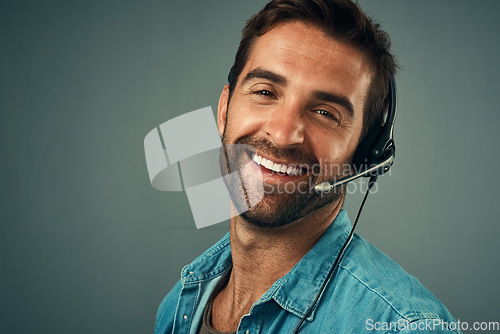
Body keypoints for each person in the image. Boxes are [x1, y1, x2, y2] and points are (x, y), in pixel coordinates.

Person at [154, 0, 460, 333]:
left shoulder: (403, 327)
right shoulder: (180, 304)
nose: (283, 134)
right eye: (265, 92)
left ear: (365, 154)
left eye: (326, 113)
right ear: (224, 110)